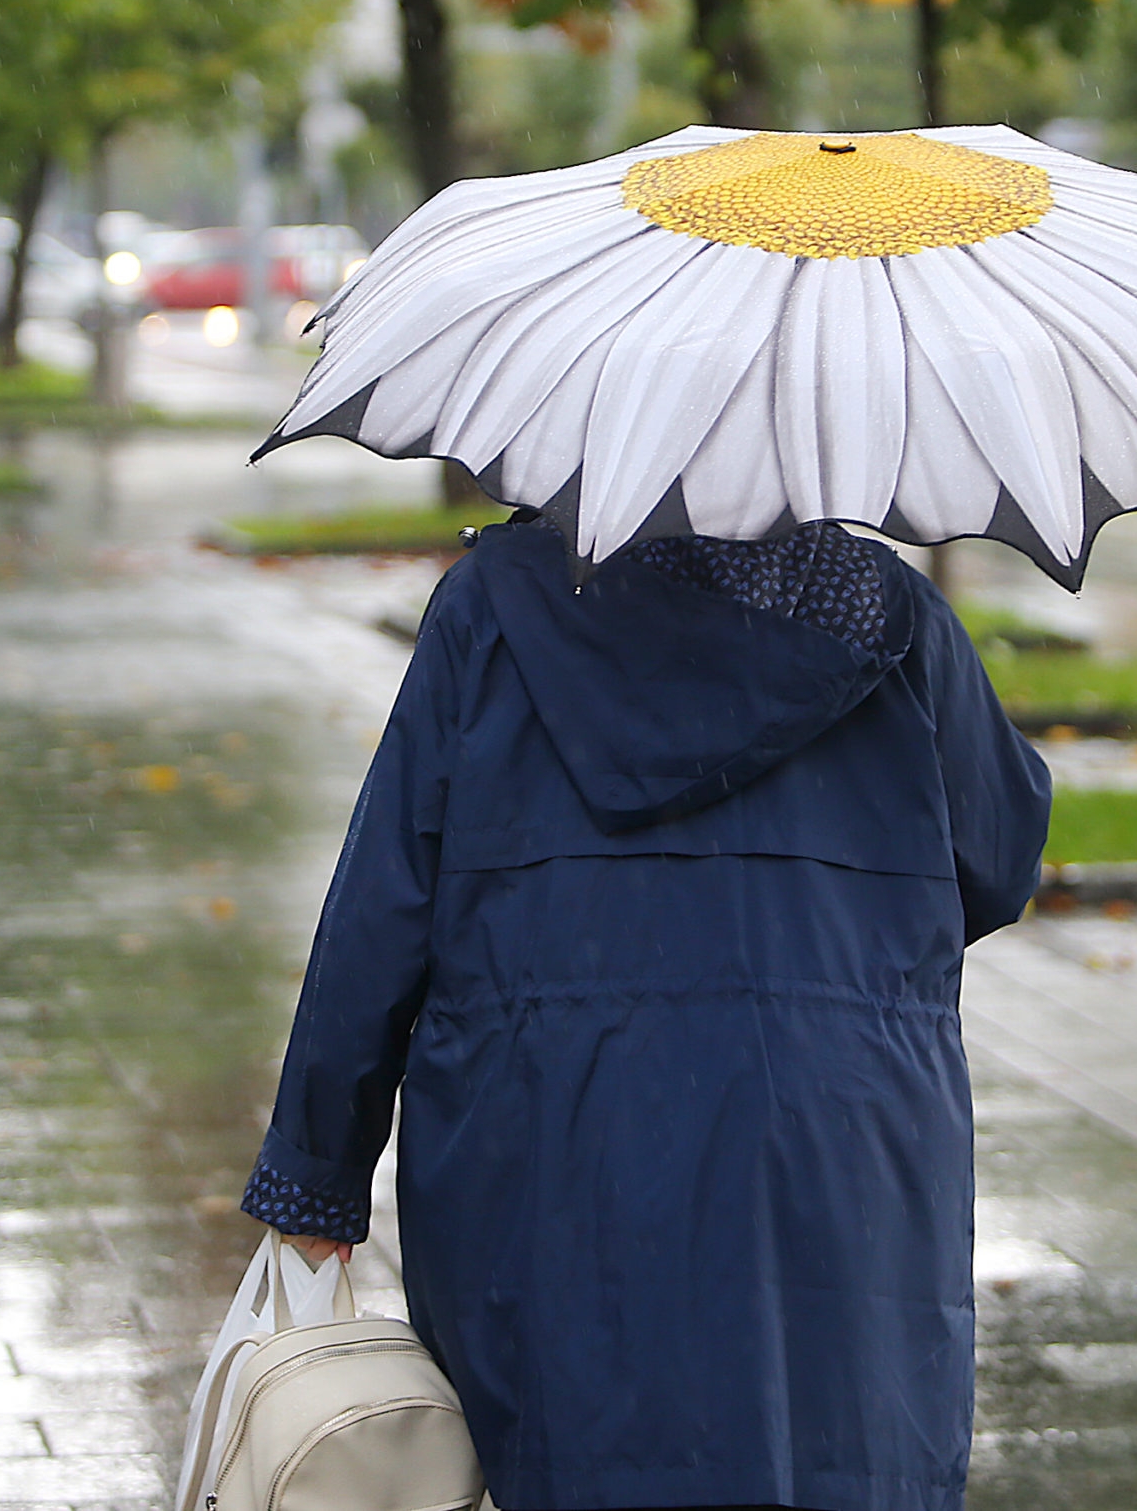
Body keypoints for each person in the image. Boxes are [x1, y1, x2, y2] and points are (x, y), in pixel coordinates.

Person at [238, 513, 1051, 1511]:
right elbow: (1000, 859)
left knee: (565, 1445)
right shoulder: (894, 616)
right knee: (834, 1450)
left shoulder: (497, 604)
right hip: (833, 1139)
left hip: (549, 1126)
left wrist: (316, 1176)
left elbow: (384, 900)